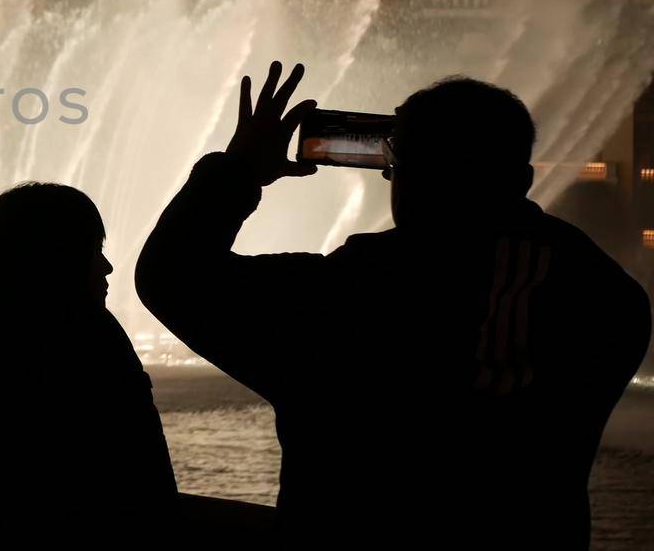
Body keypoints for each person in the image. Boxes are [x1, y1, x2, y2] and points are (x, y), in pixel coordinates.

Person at [135, 64, 653, 549]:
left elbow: (171, 275)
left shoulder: (348, 295)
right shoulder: (606, 300)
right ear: (521, 180)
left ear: (403, 178)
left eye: (394, 169)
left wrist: (240, 169)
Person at [0, 183, 177, 548]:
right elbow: (143, 472)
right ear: (55, 259)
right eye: (92, 251)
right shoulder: (90, 340)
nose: (107, 266)